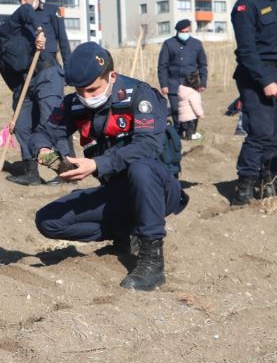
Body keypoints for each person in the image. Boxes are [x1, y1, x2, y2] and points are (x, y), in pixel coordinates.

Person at [31, 42, 188, 291]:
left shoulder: (140, 95)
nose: (87, 97)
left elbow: (147, 146)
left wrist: (95, 164)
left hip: (158, 189)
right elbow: (42, 133)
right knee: (48, 221)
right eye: (80, 91)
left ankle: (152, 260)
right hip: (118, 192)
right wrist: (44, 151)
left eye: (93, 90)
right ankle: (125, 233)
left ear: (112, 76)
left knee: (140, 168)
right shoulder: (75, 103)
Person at [0, 0, 71, 186]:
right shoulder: (1, 62)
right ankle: (33, 172)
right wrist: (15, 114)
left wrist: (39, 31)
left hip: (46, 73)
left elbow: (25, 11)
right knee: (24, 127)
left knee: (51, 121)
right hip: (28, 87)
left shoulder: (8, 29)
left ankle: (67, 171)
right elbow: (17, 87)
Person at [230, 0, 277, 204]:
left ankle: (269, 180)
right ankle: (245, 185)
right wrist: (265, 81)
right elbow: (246, 51)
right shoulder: (246, 6)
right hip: (255, 75)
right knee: (261, 132)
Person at [157, 19, 208, 134]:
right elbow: (162, 66)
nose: (185, 34)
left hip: (192, 83)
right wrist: (164, 85)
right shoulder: (169, 44)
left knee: (193, 108)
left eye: (187, 31)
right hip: (173, 83)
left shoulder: (196, 44)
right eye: (183, 31)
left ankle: (191, 131)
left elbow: (203, 65)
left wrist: (203, 82)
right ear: (178, 31)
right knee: (176, 109)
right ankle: (178, 132)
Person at [177, 71, 204, 141]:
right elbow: (196, 106)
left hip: (182, 117)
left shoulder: (182, 91)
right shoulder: (193, 94)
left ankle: (180, 137)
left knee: (181, 129)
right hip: (190, 118)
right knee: (190, 132)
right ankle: (190, 136)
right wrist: (201, 114)